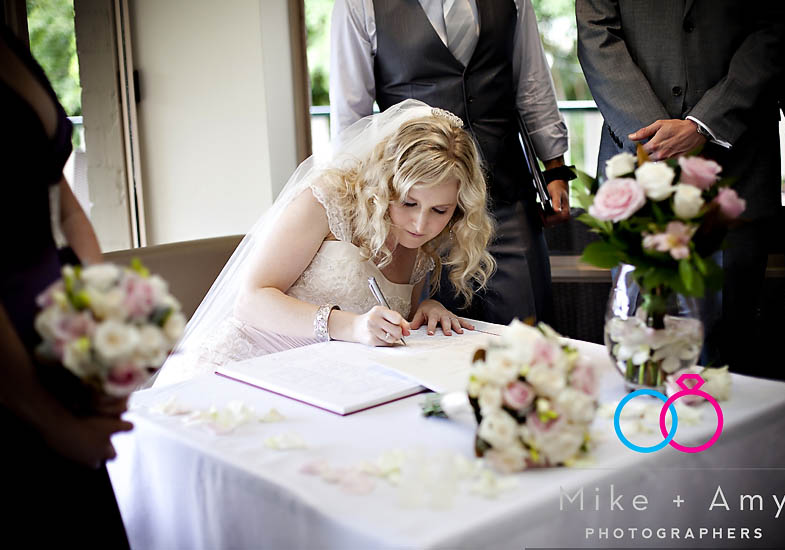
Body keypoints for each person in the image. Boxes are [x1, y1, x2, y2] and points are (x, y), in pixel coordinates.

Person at [154, 99, 495, 387]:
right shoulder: (327, 201)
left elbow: (385, 320)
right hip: (242, 367)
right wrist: (350, 325)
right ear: (384, 185)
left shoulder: (418, 248)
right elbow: (251, 300)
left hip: (320, 382)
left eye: (439, 210)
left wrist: (424, 309)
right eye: (408, 202)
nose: (421, 224)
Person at [329, 0, 574, 326]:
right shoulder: (358, 5)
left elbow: (533, 85)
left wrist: (555, 168)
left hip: (507, 197)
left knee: (529, 329)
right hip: (416, 212)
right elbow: (350, 117)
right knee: (432, 329)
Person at [576, 1, 784, 372]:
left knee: (730, 350)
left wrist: (703, 124)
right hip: (636, 162)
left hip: (737, 162)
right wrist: (655, 139)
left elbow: (775, 27)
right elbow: (596, 31)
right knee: (638, 342)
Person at [0, 27, 132, 545]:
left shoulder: (9, 44)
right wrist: (53, 421)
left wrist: (98, 321)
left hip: (55, 343)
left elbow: (63, 205)